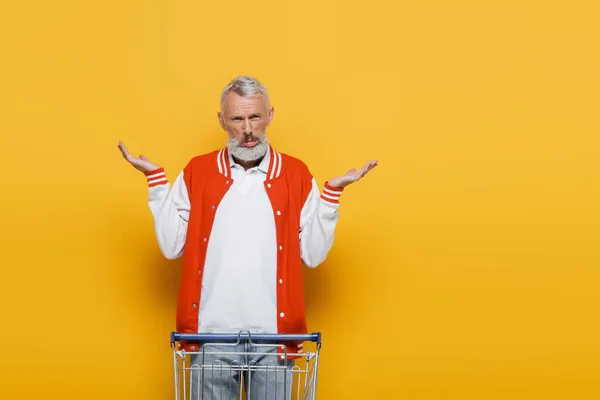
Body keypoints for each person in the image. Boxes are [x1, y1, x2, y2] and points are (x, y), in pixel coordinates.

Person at [118, 75, 377, 399]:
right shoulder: (198, 171)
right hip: (209, 338)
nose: (248, 129)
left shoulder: (295, 174)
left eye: (255, 116)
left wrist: (330, 196)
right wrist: (156, 183)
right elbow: (172, 247)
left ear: (270, 115)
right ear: (222, 120)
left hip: (274, 339)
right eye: (237, 118)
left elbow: (312, 255)